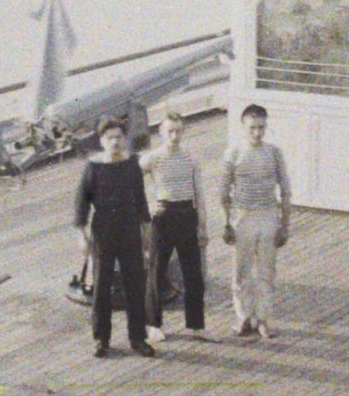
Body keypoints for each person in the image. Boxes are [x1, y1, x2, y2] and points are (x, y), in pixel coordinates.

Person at [72, 118, 156, 358]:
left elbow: (140, 198)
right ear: (102, 141)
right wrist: (82, 234)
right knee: (101, 286)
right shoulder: (93, 168)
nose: (115, 141)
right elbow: (81, 204)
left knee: (135, 285)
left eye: (119, 137)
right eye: (110, 138)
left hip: (129, 230)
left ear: (124, 139)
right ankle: (101, 339)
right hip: (103, 232)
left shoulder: (132, 164)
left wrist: (146, 228)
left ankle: (138, 338)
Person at [218, 103, 292, 339]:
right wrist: (226, 223)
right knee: (241, 271)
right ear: (243, 127)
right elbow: (223, 192)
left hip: (268, 215)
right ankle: (243, 316)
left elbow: (286, 190)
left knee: (267, 271)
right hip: (243, 216)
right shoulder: (233, 153)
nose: (257, 133)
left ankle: (263, 318)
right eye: (252, 128)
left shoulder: (274, 153)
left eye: (261, 127)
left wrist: (284, 225)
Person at [140, 113, 207, 338]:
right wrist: (145, 211)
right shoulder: (152, 158)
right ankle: (153, 325)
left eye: (178, 131)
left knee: (193, 274)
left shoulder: (190, 158)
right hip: (163, 216)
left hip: (187, 215)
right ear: (161, 132)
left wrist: (202, 226)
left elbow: (199, 193)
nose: (175, 136)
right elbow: (131, 180)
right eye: (170, 131)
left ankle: (196, 325)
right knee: (157, 272)